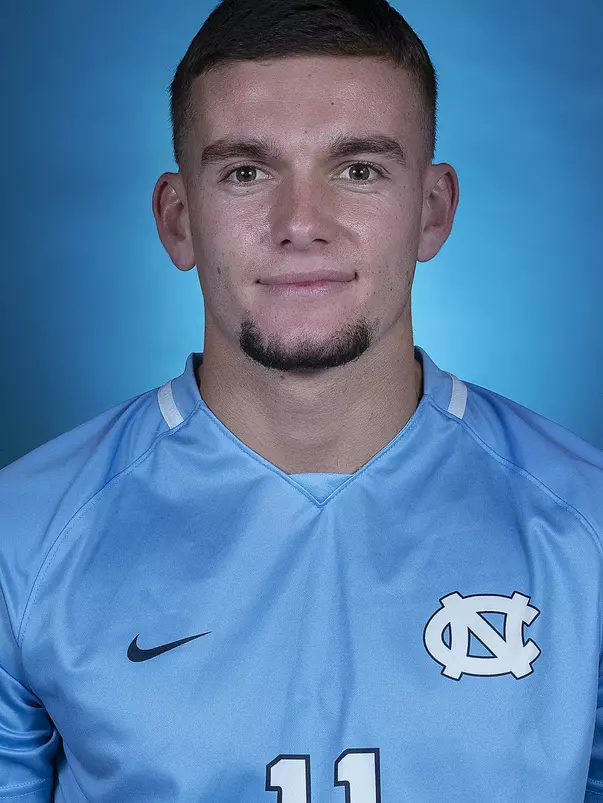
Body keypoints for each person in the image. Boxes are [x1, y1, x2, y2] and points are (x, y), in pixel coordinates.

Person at [1, 0, 602, 799]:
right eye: (247, 173)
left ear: (432, 210)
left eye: (358, 169)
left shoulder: (586, 527)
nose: (301, 224)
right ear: (178, 221)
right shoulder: (23, 536)